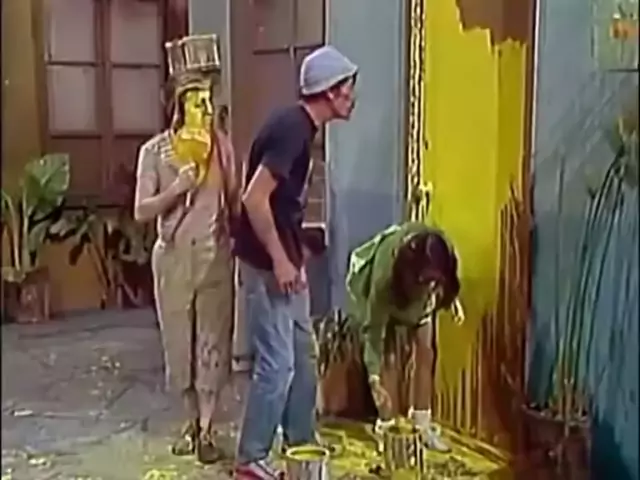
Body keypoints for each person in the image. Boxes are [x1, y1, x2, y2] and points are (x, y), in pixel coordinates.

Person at [233, 45, 358, 479]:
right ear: (331, 91)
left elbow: (283, 204)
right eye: (348, 87)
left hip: (284, 260)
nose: (353, 95)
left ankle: (300, 443)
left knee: (304, 354)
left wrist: (296, 255)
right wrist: (279, 260)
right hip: (265, 265)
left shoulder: (303, 130)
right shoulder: (292, 129)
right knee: (278, 362)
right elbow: (254, 198)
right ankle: (251, 458)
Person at [134, 34, 239, 464]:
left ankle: (209, 428)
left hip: (214, 257)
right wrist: (178, 188)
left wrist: (227, 165)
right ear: (179, 106)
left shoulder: (222, 147)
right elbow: (141, 209)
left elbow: (233, 202)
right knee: (180, 343)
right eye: (198, 102)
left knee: (212, 342)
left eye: (209, 102)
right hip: (173, 257)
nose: (206, 110)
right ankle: (189, 422)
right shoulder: (155, 152)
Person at [346, 221, 465, 453]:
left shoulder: (442, 251)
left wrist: (450, 301)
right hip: (392, 303)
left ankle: (422, 424)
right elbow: (374, 334)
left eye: (435, 282)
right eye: (426, 282)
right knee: (389, 358)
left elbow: (448, 281)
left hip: (419, 305)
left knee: (426, 352)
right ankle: (388, 427)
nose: (430, 287)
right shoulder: (385, 278)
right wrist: (374, 379)